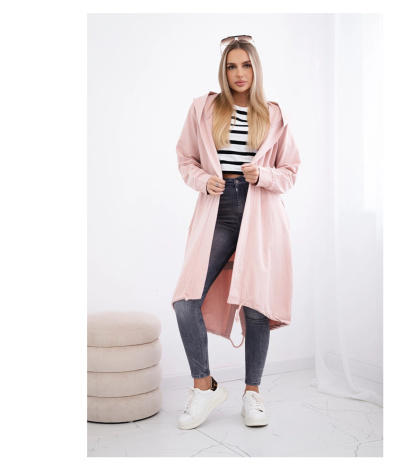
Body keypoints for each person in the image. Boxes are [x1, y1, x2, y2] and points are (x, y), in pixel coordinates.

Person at [172, 35, 301, 430]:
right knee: (185, 300)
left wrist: (263, 175)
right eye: (232, 66)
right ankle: (204, 386)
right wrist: (203, 181)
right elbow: (185, 159)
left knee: (256, 305)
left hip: (261, 213)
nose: (239, 73)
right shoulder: (204, 108)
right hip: (220, 210)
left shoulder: (273, 114)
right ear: (223, 71)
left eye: (246, 65)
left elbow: (291, 172)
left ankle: (252, 394)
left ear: (255, 69)